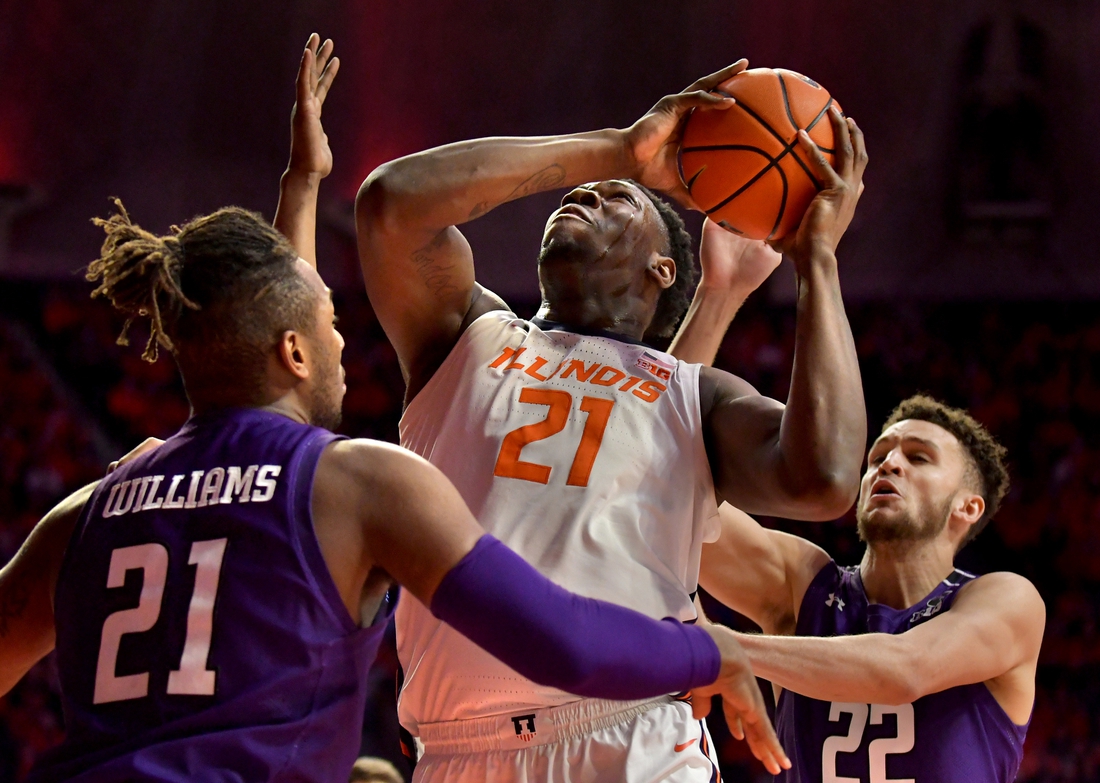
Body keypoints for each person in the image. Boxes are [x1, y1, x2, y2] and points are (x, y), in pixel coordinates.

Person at [0, 37, 785, 783]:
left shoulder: (87, 512)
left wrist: (301, 188)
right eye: (334, 327)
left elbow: (273, 346)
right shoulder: (355, 484)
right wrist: (704, 653)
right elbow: (563, 640)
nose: (348, 346)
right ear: (296, 351)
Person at [355, 58, 868, 781]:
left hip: (633, 735)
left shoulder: (696, 395)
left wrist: (816, 261)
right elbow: (390, 203)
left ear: (661, 269)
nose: (586, 191)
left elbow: (826, 476)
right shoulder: (464, 336)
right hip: (458, 748)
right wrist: (620, 151)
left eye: (618, 197)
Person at [668, 269, 1042, 781]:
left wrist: (723, 647)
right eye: (879, 456)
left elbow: (904, 670)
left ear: (967, 507)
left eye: (919, 458)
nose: (888, 465)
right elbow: (661, 493)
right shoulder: (802, 585)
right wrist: (719, 292)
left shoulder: (1007, 601)